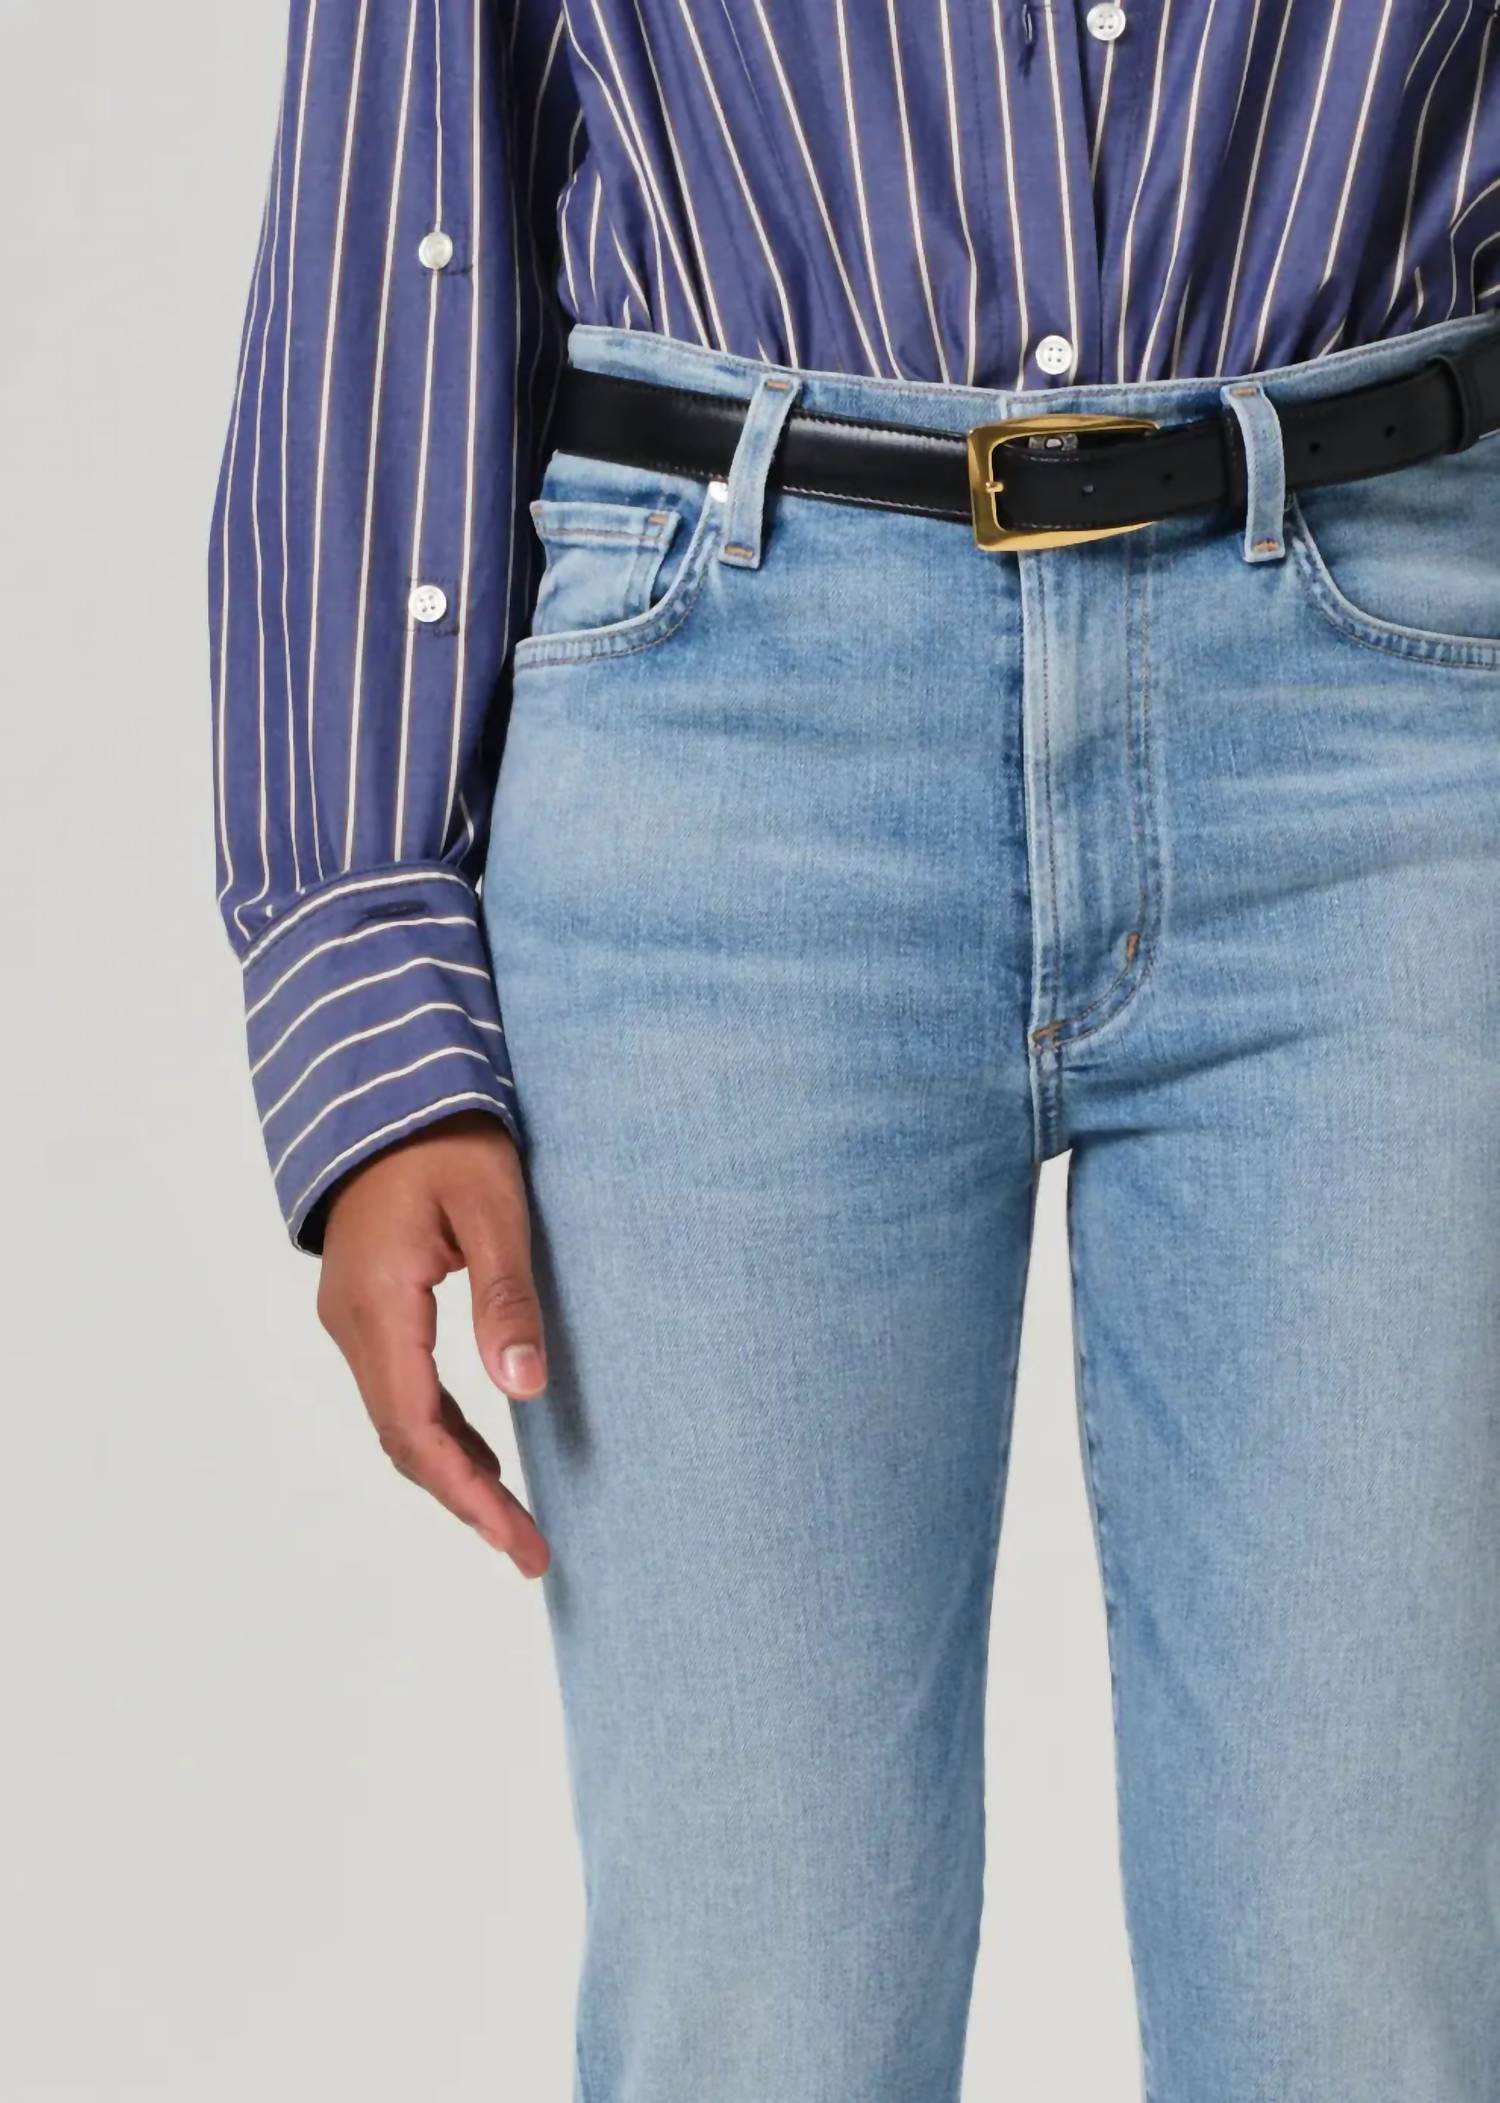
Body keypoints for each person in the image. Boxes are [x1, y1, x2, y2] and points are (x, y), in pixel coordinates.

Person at [208, 6, 1500, 2097]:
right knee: (762, 2015)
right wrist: (365, 963)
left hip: (1391, 708)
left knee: (1378, 2006)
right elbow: (404, 187)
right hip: (730, 741)